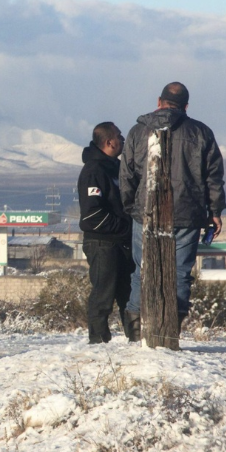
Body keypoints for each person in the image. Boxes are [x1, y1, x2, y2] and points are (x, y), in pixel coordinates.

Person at [119, 82, 226, 340]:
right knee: (179, 273)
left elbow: (127, 175)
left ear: (159, 102)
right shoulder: (201, 133)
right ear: (186, 106)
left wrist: (132, 207)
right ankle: (169, 333)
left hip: (144, 213)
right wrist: (214, 211)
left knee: (141, 270)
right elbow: (214, 176)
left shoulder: (137, 132)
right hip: (187, 215)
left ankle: (136, 334)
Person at [78, 122, 134, 344]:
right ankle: (98, 342)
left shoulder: (116, 168)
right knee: (103, 295)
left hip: (121, 243)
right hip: (102, 243)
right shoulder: (94, 171)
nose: (122, 140)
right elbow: (92, 215)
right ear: (110, 142)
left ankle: (136, 340)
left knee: (128, 296)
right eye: (120, 136)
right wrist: (125, 228)